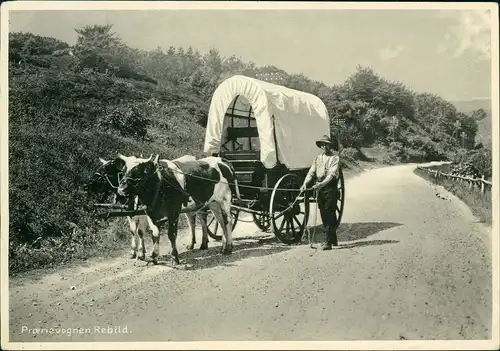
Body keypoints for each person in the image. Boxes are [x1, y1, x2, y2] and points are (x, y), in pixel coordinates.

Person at [300, 134, 340, 250]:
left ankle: (328, 242)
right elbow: (311, 173)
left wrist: (321, 184)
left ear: (330, 146)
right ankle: (333, 239)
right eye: (323, 145)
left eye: (327, 145)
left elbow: (332, 175)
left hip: (330, 187)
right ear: (321, 146)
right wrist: (305, 184)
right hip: (320, 188)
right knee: (323, 213)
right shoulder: (317, 158)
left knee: (329, 213)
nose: (325, 147)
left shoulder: (335, 159)